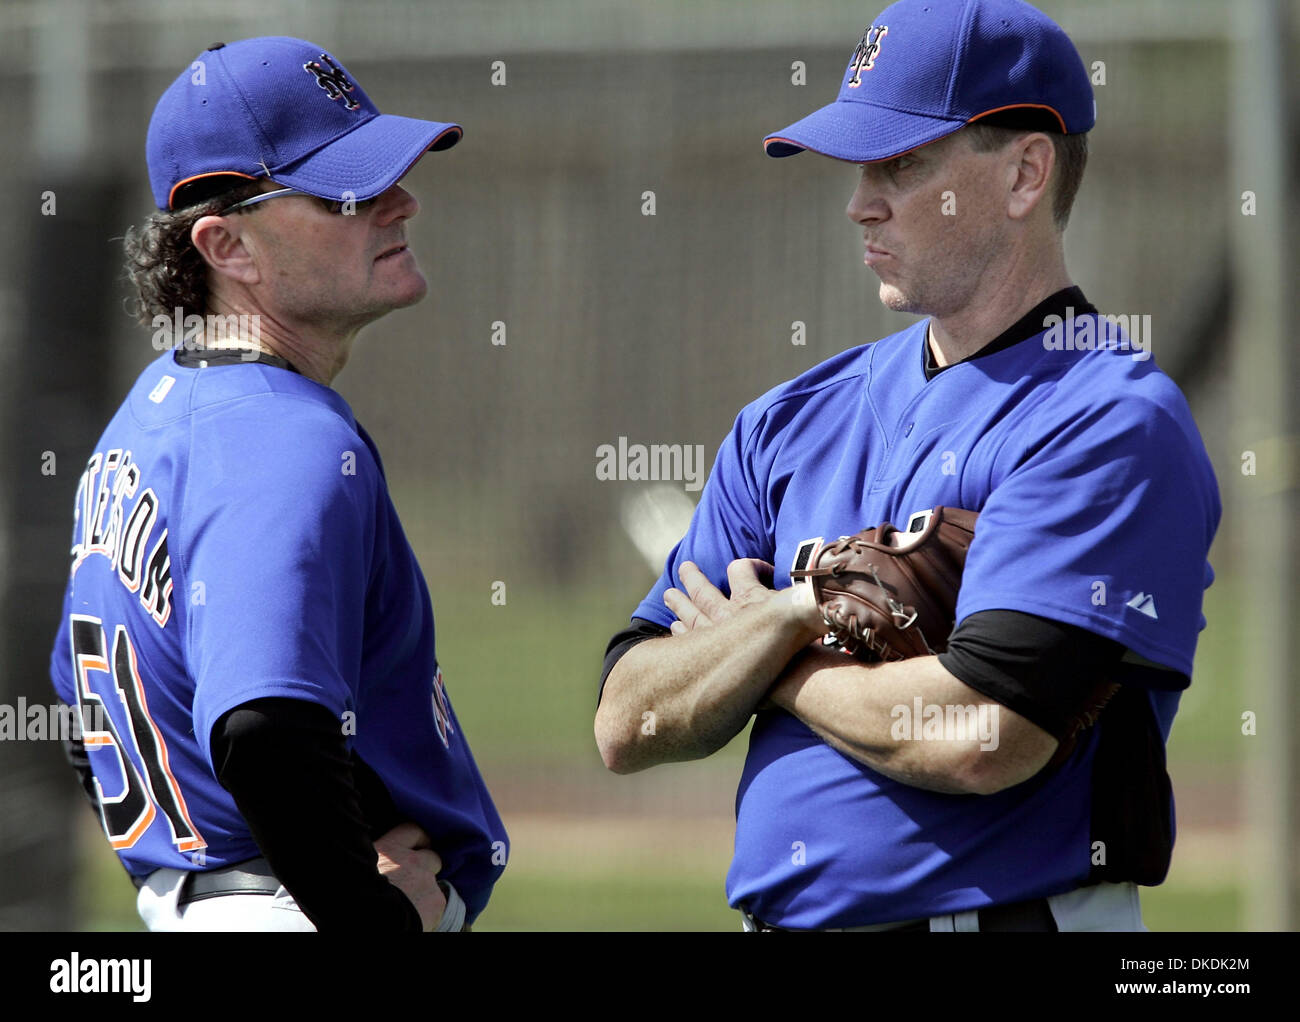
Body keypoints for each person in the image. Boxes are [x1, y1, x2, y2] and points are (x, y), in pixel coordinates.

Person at [595, 0, 1220, 932]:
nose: (860, 202)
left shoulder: (1106, 419)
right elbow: (626, 717)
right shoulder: (785, 421)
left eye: (901, 162)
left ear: (1024, 173)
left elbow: (981, 734)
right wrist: (810, 627)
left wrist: (778, 636)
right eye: (857, 168)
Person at [48, 36, 505, 931]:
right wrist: (367, 914)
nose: (401, 200)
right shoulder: (283, 437)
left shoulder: (152, 412)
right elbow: (264, 729)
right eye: (350, 190)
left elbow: (78, 716)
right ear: (228, 246)